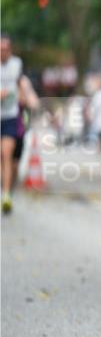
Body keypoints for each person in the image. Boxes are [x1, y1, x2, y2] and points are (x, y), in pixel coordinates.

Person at [1, 33, 34, 214]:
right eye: (0, 50)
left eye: (6, 49)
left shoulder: (17, 64)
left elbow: (21, 82)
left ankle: (6, 195)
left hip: (11, 116)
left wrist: (23, 95)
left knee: (7, 155)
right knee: (2, 157)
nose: (3, 53)